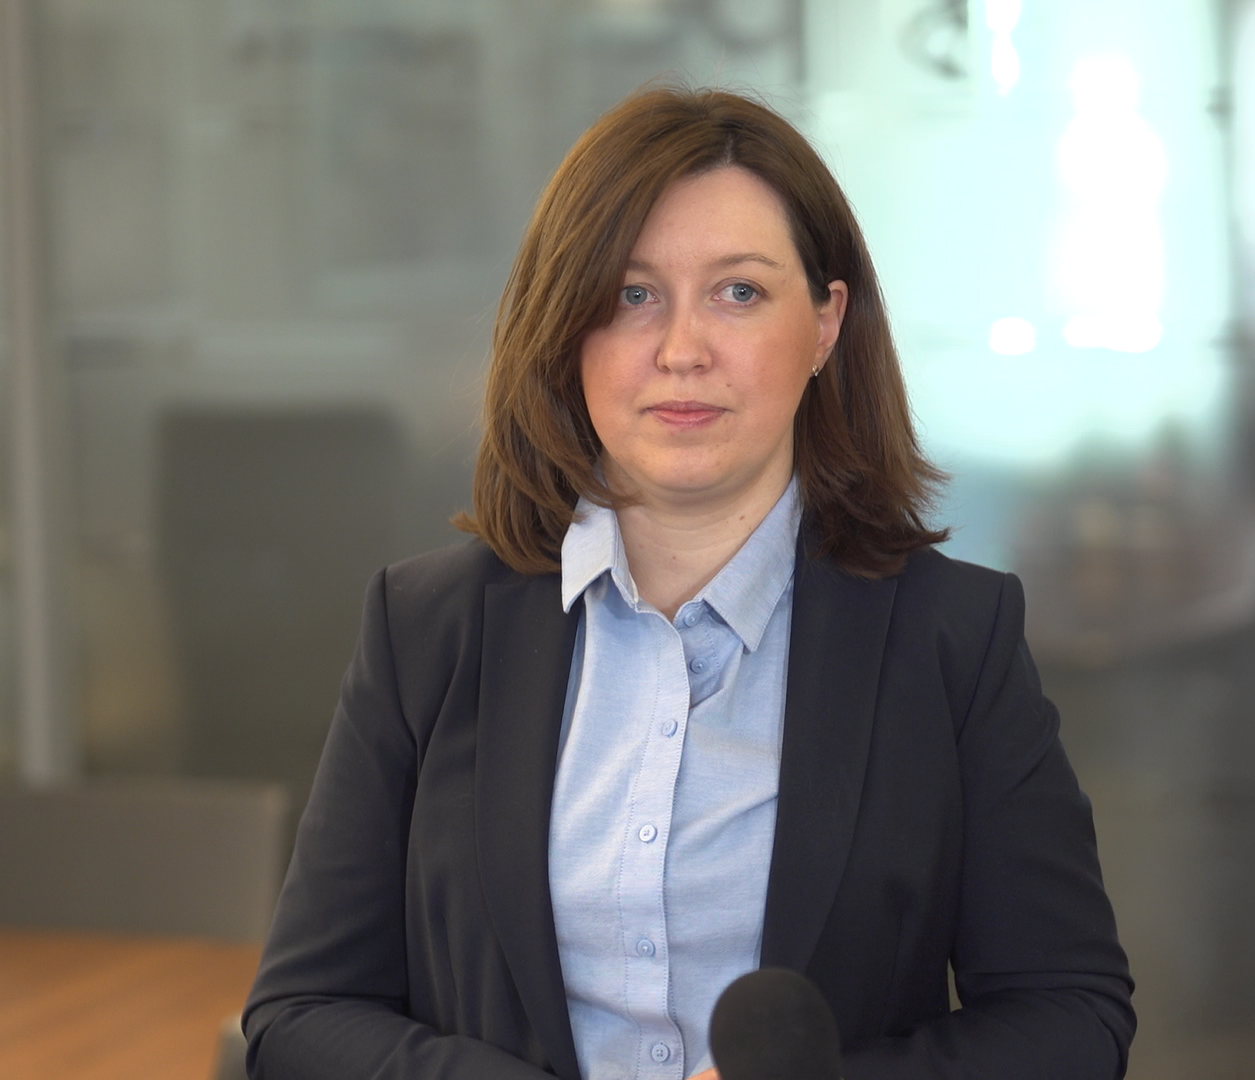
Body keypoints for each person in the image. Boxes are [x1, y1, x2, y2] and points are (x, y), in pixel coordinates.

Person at [241, 86, 1134, 1080]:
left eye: (739, 292)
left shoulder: (952, 638)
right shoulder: (425, 629)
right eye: (632, 295)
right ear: (564, 326)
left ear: (826, 323)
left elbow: (1071, 1018)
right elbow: (300, 1015)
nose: (681, 350)